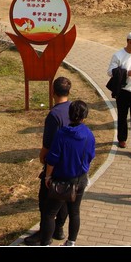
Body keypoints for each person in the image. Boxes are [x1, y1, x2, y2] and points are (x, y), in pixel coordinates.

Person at [23, 77, 73, 246]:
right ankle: (59, 229)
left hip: (55, 164)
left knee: (45, 203)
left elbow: (48, 143)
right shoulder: (73, 109)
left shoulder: (54, 115)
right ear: (69, 92)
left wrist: (42, 157)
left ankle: (45, 234)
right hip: (70, 163)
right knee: (64, 197)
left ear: (53, 92)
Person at [39, 100, 96, 247]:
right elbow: (91, 155)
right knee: (74, 212)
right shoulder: (89, 134)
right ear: (85, 117)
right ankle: (71, 242)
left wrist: (48, 176)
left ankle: (45, 243)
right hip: (80, 179)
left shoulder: (62, 134)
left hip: (61, 181)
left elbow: (52, 158)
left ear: (69, 115)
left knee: (49, 213)